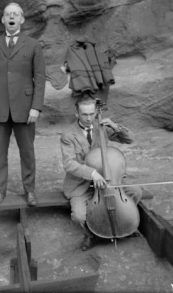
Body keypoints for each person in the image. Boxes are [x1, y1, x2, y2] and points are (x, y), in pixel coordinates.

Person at [0, 2, 47, 207]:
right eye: (8, 14)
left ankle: (30, 190)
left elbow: (40, 78)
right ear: (2, 19)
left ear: (22, 19)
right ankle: (0, 191)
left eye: (15, 14)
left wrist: (36, 107)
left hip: (26, 109)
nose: (11, 17)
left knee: (27, 152)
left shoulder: (34, 45)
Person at [60, 94, 142, 251]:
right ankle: (91, 235)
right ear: (76, 114)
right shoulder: (68, 135)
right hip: (82, 184)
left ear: (96, 113)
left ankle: (123, 222)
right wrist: (92, 173)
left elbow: (129, 139)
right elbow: (69, 164)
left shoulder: (102, 127)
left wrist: (114, 126)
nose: (89, 118)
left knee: (136, 192)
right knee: (78, 216)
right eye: (84, 114)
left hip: (109, 181)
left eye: (92, 114)